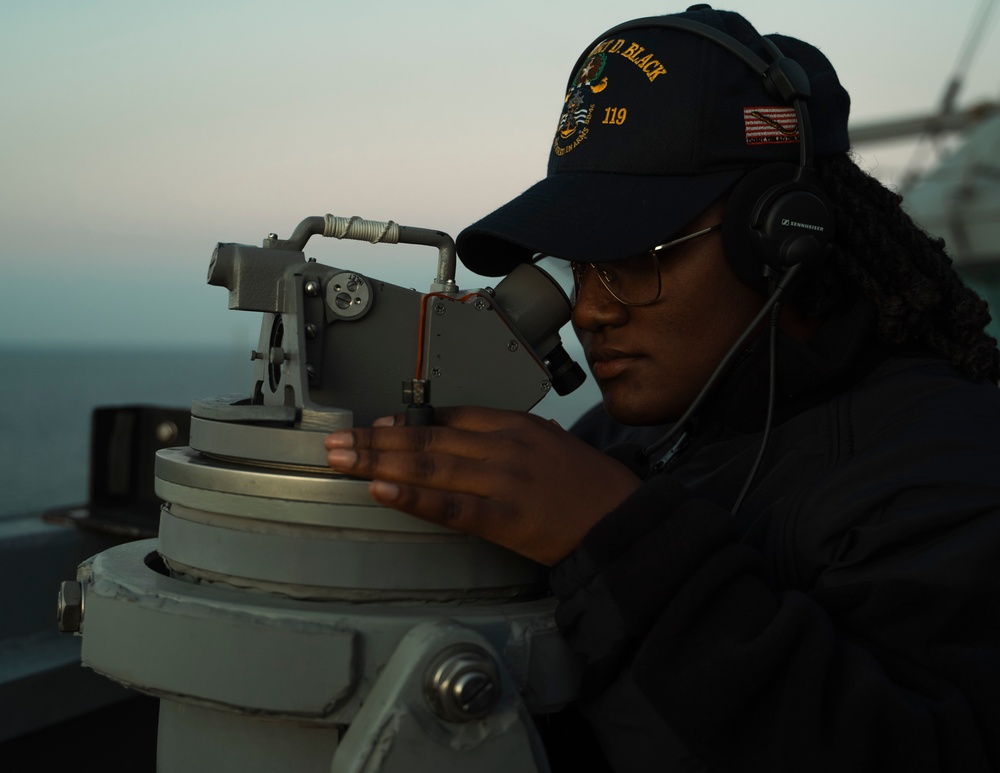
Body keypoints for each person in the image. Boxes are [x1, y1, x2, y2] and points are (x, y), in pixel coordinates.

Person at [326, 5, 1000, 771]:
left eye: (637, 255)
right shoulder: (631, 439)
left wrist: (611, 538)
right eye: (580, 264)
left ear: (781, 239)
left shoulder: (951, 472)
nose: (590, 309)